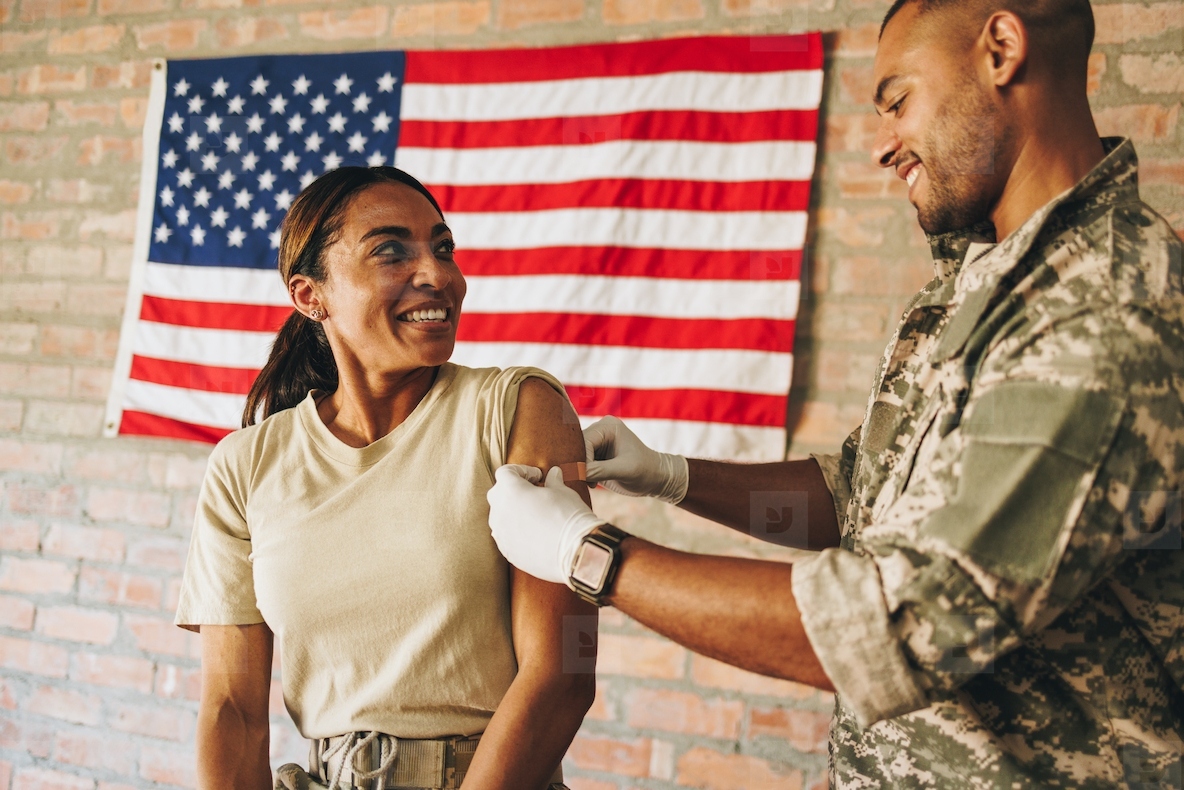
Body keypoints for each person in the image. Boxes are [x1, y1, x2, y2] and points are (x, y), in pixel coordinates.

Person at [486, 0, 1184, 786]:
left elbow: (901, 626)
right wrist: (672, 476)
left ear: (1002, 49)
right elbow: (858, 499)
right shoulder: (973, 284)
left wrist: (588, 555)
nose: (885, 144)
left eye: (898, 101)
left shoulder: (1107, 308)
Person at [174, 166, 596, 790]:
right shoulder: (246, 465)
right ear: (308, 295)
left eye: (444, 248)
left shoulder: (518, 409)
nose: (441, 276)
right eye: (392, 251)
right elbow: (232, 712)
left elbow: (564, 673)